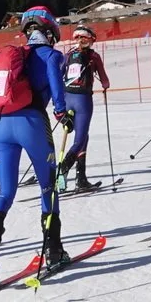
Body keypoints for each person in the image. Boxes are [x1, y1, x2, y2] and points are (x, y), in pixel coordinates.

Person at [0, 6, 70, 284]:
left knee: (5, 192)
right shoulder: (51, 55)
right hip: (31, 123)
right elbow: (55, 84)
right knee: (48, 186)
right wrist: (62, 112)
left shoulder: (15, 55)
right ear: (50, 32)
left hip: (0, 124)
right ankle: (53, 250)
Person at [57, 25, 111, 192]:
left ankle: (81, 178)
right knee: (79, 140)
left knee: (83, 138)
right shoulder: (93, 56)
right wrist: (105, 85)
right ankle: (63, 168)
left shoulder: (68, 55)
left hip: (67, 98)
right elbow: (105, 81)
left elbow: (58, 76)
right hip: (82, 100)